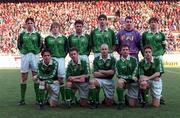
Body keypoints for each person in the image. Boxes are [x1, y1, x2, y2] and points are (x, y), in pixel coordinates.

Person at [17, 17, 42, 105]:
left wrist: (36, 52)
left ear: (34, 24)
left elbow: (41, 45)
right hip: (25, 56)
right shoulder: (22, 34)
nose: (30, 24)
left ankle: (38, 99)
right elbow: (19, 45)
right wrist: (24, 52)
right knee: (24, 77)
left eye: (31, 23)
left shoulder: (38, 34)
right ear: (25, 24)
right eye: (28, 23)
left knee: (36, 77)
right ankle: (22, 99)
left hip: (35, 56)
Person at [141, 17, 166, 104]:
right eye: (151, 22)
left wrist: (161, 53)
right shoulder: (145, 34)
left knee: (158, 77)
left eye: (155, 22)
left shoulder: (161, 34)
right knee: (146, 73)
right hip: (148, 56)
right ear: (149, 24)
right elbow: (142, 45)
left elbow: (164, 46)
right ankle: (144, 95)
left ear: (157, 23)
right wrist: (144, 55)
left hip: (158, 56)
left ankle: (159, 95)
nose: (153, 24)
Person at [44, 22, 68, 102]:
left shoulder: (64, 38)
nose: (55, 29)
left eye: (56, 27)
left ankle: (64, 99)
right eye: (53, 27)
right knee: (50, 78)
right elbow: (46, 49)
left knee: (61, 79)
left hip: (61, 59)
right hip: (51, 60)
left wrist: (62, 56)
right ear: (51, 29)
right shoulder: (47, 38)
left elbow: (66, 49)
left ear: (59, 28)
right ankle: (47, 98)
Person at [89, 44, 116, 108]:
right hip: (99, 80)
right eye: (102, 49)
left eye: (105, 49)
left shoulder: (112, 59)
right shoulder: (96, 59)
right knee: (92, 82)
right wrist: (107, 73)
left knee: (109, 104)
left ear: (108, 50)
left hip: (109, 81)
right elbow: (95, 74)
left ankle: (107, 99)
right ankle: (95, 101)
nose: (104, 51)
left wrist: (101, 71)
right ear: (100, 50)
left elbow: (112, 72)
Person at [116, 45, 139, 109]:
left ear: (129, 51)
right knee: (119, 82)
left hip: (133, 81)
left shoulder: (134, 59)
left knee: (133, 105)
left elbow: (136, 70)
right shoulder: (118, 62)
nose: (125, 51)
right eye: (123, 50)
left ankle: (128, 97)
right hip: (125, 81)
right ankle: (120, 102)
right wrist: (130, 77)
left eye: (126, 49)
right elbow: (118, 75)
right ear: (121, 52)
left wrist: (132, 77)